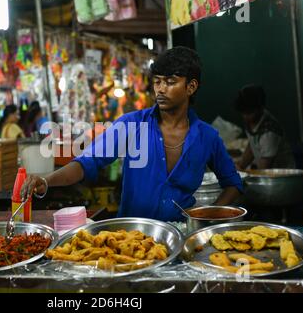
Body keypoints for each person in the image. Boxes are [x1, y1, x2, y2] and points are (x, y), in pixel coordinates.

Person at [20, 47, 242, 222]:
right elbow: (87, 162)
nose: (161, 89)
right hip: (131, 237)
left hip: (181, 233)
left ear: (191, 87)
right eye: (157, 82)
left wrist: (207, 218)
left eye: (170, 82)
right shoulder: (131, 125)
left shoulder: (207, 137)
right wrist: (46, 181)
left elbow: (233, 183)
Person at [235, 84, 295, 170]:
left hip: (280, 177)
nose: (245, 117)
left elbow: (264, 169)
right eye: (243, 112)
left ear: (261, 108)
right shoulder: (252, 120)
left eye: (249, 113)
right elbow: (253, 145)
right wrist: (240, 166)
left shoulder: (269, 133)